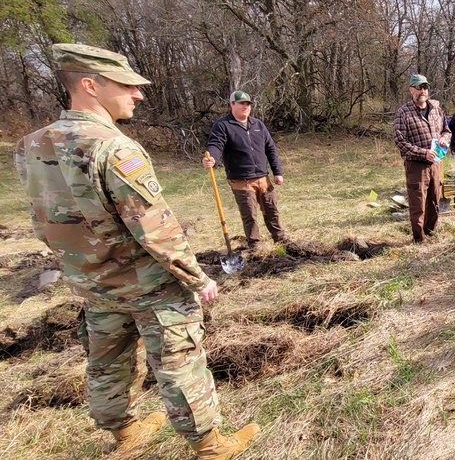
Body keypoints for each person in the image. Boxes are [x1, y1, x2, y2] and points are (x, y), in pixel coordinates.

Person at [13, 43, 258, 458]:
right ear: (90, 86)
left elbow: (45, 221)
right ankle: (211, 446)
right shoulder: (114, 148)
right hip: (148, 284)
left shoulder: (30, 146)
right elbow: (155, 228)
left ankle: (124, 432)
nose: (138, 94)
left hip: (91, 282)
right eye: (127, 85)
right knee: (178, 362)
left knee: (106, 361)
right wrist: (197, 278)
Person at [203, 90, 289, 250]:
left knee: (272, 210)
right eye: (241, 103)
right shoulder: (223, 125)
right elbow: (215, 144)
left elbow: (270, 148)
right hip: (241, 180)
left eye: (248, 103)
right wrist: (212, 158)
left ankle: (280, 239)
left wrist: (277, 172)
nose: (245, 106)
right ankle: (255, 245)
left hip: (263, 177)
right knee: (249, 215)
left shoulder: (258, 125)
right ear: (232, 104)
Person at [393, 74, 452, 243]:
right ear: (411, 89)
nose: (423, 91)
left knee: (434, 199)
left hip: (435, 164)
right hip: (416, 165)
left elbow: (447, 131)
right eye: (419, 87)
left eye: (425, 87)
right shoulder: (403, 113)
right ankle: (419, 239)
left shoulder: (436, 110)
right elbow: (400, 141)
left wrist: (444, 139)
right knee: (418, 203)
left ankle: (430, 232)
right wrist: (422, 152)